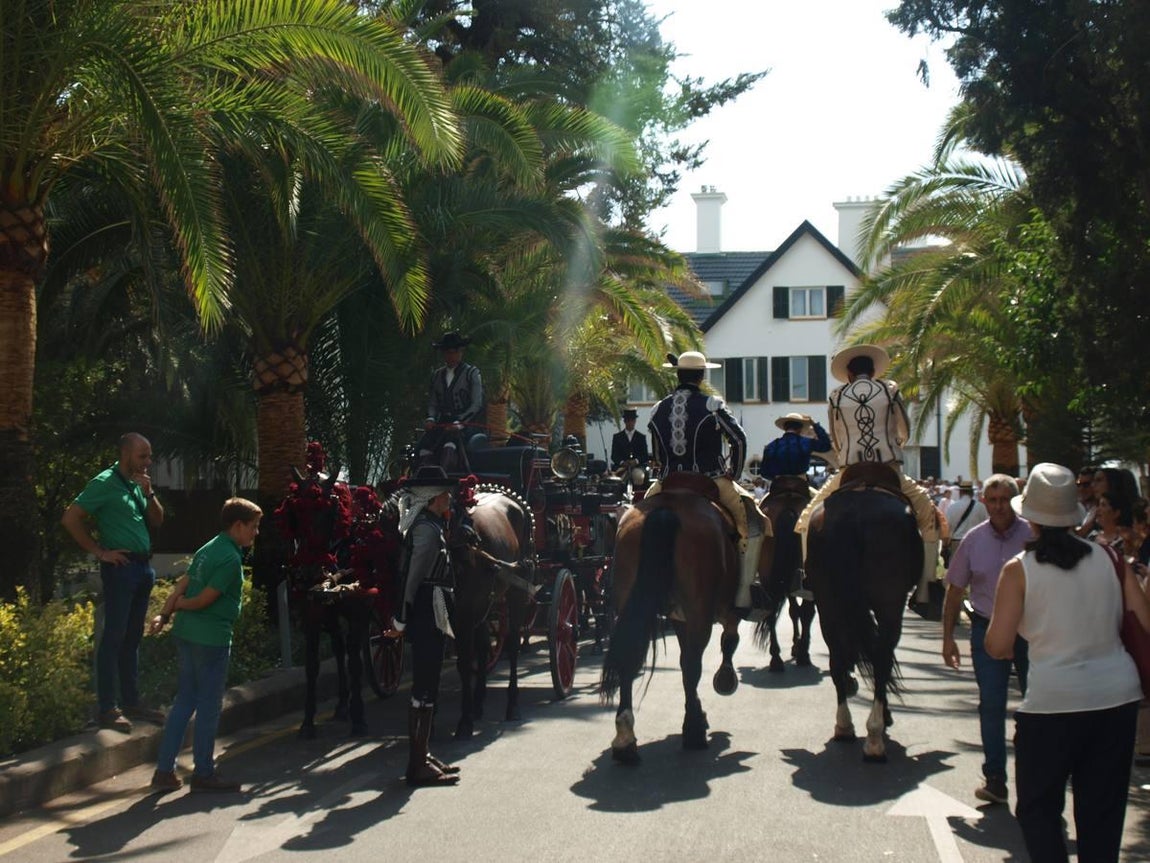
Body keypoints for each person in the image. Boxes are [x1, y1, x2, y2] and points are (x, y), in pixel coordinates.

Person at [986, 463, 1148, 863]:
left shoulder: (1019, 570)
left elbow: (998, 644)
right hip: (1116, 698)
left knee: (1038, 809)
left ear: (1032, 518)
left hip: (1051, 703)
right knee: (1102, 815)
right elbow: (1144, 619)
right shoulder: (1110, 558)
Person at [795, 345, 941, 598]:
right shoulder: (889, 389)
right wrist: (895, 443)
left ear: (849, 373)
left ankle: (808, 577)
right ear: (873, 371)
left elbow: (837, 439)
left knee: (807, 519)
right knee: (930, 516)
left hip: (850, 470)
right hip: (889, 468)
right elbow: (904, 428)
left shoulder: (837, 396)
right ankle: (927, 588)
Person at [148, 498, 263, 793]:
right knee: (209, 707)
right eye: (253, 526)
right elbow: (204, 599)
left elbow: (182, 584)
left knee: (184, 701)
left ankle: (164, 770)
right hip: (210, 638)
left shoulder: (208, 548)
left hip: (187, 635)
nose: (255, 532)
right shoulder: (229, 558)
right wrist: (181, 607)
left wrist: (167, 612)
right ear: (237, 526)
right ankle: (204, 772)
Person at [645, 351, 768, 613]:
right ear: (701, 376)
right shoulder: (713, 405)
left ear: (677, 374)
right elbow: (739, 440)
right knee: (754, 522)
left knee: (638, 521)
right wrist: (732, 475)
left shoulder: (658, 409)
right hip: (709, 479)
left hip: (667, 481)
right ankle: (746, 590)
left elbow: (656, 454)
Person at [61, 432, 166, 733]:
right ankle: (108, 707)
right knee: (114, 637)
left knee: (133, 638)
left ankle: (132, 701)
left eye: (149, 455)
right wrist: (100, 552)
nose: (148, 461)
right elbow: (70, 518)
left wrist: (150, 493)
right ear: (125, 454)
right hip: (120, 569)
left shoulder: (138, 484)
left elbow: (158, 520)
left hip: (143, 567)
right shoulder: (104, 482)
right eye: (142, 456)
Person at [941, 474, 1030, 805]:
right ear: (983, 502)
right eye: (991, 501)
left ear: (1014, 501)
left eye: (1004, 500)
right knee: (991, 704)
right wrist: (947, 638)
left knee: (1034, 707)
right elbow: (954, 591)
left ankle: (1033, 774)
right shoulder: (974, 540)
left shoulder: (1032, 536)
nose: (997, 507)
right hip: (986, 628)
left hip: (1030, 633)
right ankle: (995, 777)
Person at [389, 466, 460, 787]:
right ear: (432, 499)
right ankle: (417, 763)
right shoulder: (427, 530)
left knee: (429, 681)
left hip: (434, 606)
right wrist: (400, 619)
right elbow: (412, 578)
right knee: (424, 682)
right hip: (425, 610)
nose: (449, 497)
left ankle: (423, 754)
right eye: (444, 493)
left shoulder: (430, 525)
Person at [417, 331, 484, 470]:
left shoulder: (472, 373)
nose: (451, 355)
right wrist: (430, 418)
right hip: (442, 423)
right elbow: (433, 402)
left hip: (466, 424)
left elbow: (476, 404)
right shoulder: (437, 375)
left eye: (454, 352)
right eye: (447, 352)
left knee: (450, 444)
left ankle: (446, 476)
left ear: (461, 352)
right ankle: (424, 477)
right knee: (423, 445)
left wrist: (459, 422)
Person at [760, 412, 831, 480]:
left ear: (785, 428)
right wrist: (814, 424)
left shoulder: (771, 446)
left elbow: (764, 472)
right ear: (800, 429)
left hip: (779, 483)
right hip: (800, 482)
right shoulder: (806, 442)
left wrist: (776, 478)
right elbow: (826, 445)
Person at [943, 479, 987, 565]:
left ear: (960, 492)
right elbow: (985, 525)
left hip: (957, 542)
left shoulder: (952, 507)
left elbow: (947, 527)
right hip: (975, 542)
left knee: (957, 569)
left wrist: (945, 545)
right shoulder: (981, 507)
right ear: (971, 492)